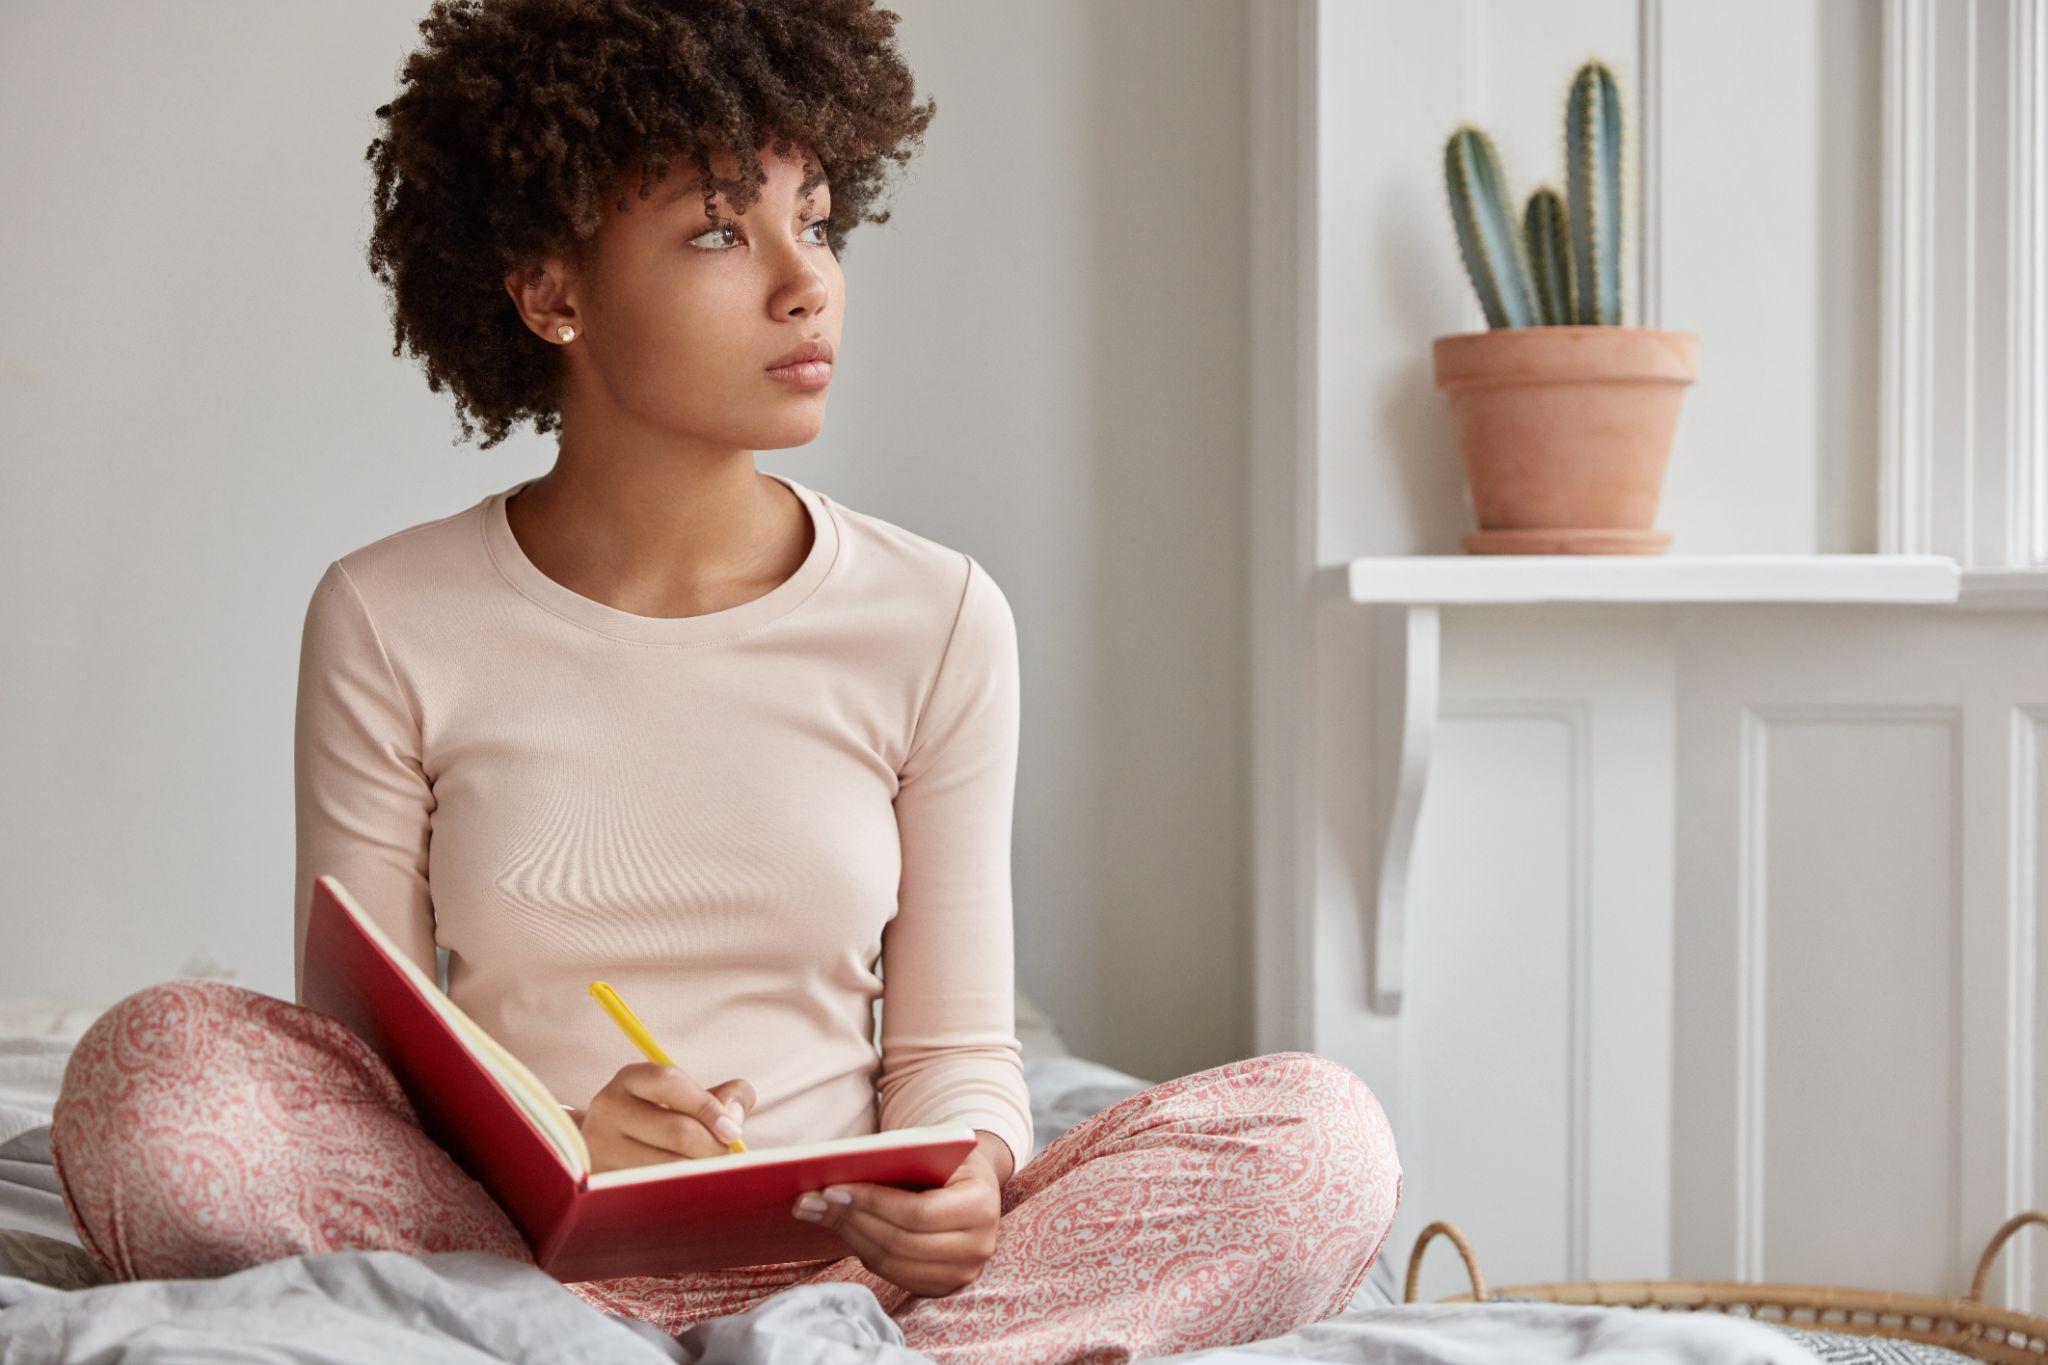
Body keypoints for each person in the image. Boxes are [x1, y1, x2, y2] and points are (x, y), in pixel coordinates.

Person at [46, 2, 1402, 1360]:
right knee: (152, 1077)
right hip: (508, 1252)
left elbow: (953, 1055)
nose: (803, 280)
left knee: (1320, 1143)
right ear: (550, 290)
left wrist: (977, 1174)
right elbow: (365, 1072)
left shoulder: (938, 617)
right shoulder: (387, 616)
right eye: (717, 230)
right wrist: (563, 1141)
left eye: (814, 219)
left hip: (857, 1274)